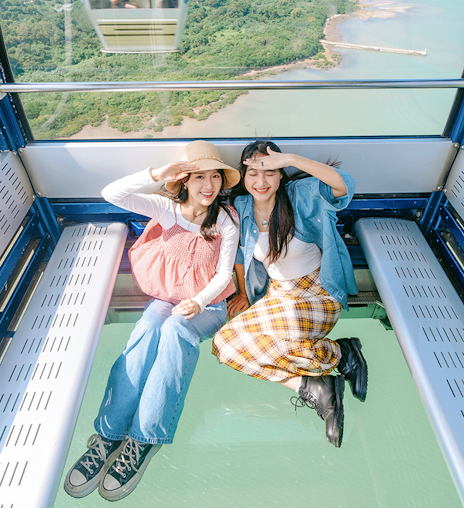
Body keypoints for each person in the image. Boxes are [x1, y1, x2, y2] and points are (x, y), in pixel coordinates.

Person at [64, 140, 240, 502]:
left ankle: (143, 439)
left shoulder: (226, 220)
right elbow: (111, 193)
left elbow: (224, 275)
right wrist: (158, 174)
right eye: (200, 177)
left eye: (216, 177)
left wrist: (198, 301)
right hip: (166, 298)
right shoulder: (167, 208)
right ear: (185, 180)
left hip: (208, 306)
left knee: (175, 331)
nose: (209, 186)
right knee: (146, 330)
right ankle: (109, 435)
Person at [212, 140, 367, 449]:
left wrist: (293, 158)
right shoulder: (242, 207)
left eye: (269, 172)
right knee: (225, 346)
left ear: (282, 174)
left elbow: (344, 186)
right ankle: (317, 381)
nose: (261, 181)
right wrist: (243, 291)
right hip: (279, 294)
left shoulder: (300, 197)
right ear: (243, 176)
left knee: (283, 342)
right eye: (253, 172)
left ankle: (340, 357)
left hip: (317, 293)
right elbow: (241, 255)